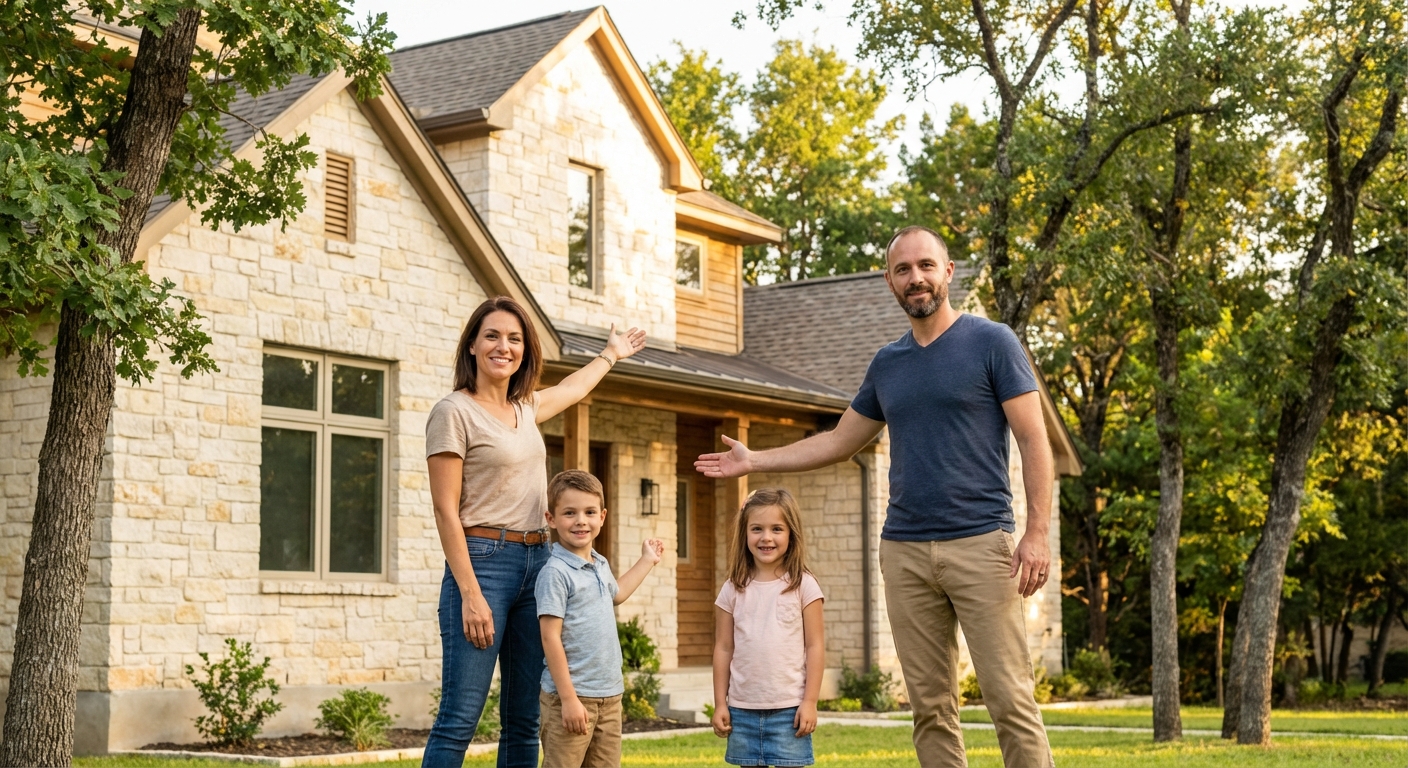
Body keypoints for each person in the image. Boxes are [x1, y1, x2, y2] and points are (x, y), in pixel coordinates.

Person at [696, 226, 1056, 768]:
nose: (916, 278)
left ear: (948, 271)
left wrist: (1036, 532)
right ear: (890, 281)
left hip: (983, 545)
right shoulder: (888, 363)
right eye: (903, 269)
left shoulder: (992, 342)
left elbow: (1034, 439)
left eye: (926, 266)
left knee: (1010, 700)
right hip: (905, 551)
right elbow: (841, 441)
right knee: (931, 708)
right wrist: (757, 460)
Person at [422, 296, 646, 768]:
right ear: (472, 347)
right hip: (483, 562)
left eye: (515, 339)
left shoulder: (525, 409)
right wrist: (470, 592)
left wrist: (610, 354)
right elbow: (446, 510)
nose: (504, 347)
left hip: (539, 564)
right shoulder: (454, 412)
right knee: (460, 717)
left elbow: (573, 387)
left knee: (524, 718)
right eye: (492, 336)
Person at [536, 469, 665, 767]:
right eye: (570, 512)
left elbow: (616, 594)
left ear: (602, 517)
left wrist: (647, 561)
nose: (581, 520)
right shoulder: (555, 573)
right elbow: (549, 636)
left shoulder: (598, 563)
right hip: (570, 697)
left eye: (589, 512)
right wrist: (569, 700)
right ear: (551, 519)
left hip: (609, 696)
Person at [711, 488, 825, 768]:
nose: (766, 537)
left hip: (790, 712)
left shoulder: (804, 585)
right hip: (742, 711)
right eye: (757, 529)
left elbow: (815, 646)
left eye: (777, 529)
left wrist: (809, 702)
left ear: (791, 534)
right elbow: (724, 648)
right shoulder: (732, 589)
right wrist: (720, 703)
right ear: (744, 534)